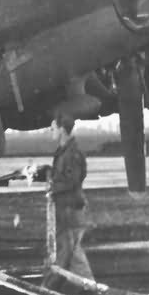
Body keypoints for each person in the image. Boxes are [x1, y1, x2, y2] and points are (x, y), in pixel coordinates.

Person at [47, 115, 93, 286]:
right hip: (66, 208)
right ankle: (87, 288)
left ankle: (51, 289)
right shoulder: (64, 152)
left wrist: (53, 187)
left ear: (61, 129)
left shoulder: (71, 154)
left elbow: (73, 180)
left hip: (71, 209)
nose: (50, 131)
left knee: (68, 253)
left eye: (52, 128)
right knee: (71, 253)